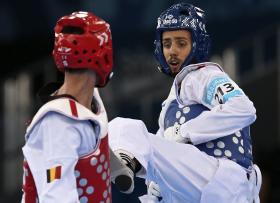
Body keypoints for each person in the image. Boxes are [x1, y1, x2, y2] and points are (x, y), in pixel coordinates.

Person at [109, 3, 262, 203]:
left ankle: (124, 163)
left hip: (224, 179)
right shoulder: (169, 106)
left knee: (123, 127)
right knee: (145, 160)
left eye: (181, 43)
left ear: (197, 44)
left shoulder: (205, 75)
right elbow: (161, 151)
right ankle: (126, 167)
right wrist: (155, 187)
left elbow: (243, 108)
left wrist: (185, 133)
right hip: (199, 190)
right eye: (167, 44)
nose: (172, 51)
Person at [21, 11, 119, 203]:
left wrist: (117, 165)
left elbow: (93, 149)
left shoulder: (91, 103)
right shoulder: (59, 124)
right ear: (104, 55)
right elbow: (56, 199)